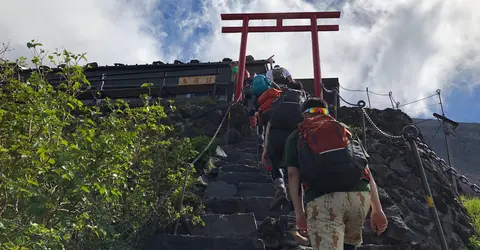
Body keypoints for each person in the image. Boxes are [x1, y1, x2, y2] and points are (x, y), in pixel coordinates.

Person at [283, 97, 388, 250]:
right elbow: (365, 169)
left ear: (304, 115)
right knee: (349, 246)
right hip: (359, 197)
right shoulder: (344, 129)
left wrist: (299, 213)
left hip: (322, 199)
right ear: (327, 112)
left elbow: (293, 174)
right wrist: (377, 209)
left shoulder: (298, 133)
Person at [261, 80, 307, 211]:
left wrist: (265, 149)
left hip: (276, 136)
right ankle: (297, 204)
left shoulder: (280, 99)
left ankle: (280, 188)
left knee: (276, 162)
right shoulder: (304, 100)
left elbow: (269, 124)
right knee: (295, 169)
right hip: (295, 135)